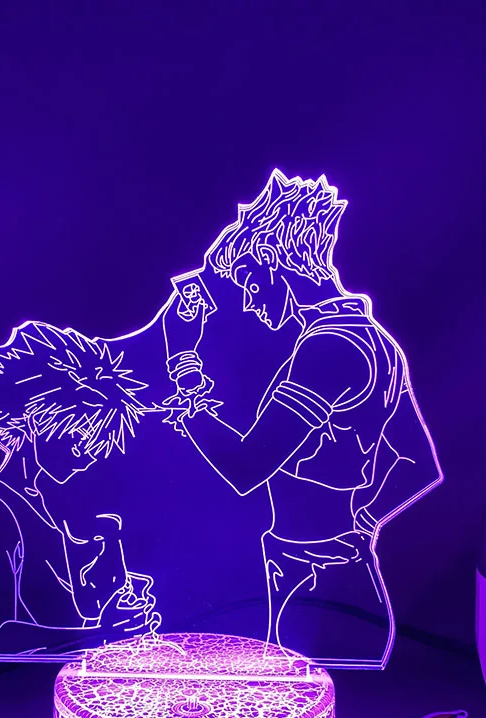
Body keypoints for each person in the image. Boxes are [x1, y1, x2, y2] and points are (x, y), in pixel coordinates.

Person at [162, 169, 442, 668]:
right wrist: (359, 525)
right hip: (324, 576)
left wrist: (185, 380)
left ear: (274, 262)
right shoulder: (373, 342)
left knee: (318, 713)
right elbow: (419, 465)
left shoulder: (331, 348)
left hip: (320, 592)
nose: (249, 300)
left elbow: (246, 467)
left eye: (250, 282)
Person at [0, 321, 160, 661]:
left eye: (94, 443)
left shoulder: (38, 501)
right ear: (35, 419)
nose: (87, 455)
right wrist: (104, 634)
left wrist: (116, 598)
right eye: (80, 437)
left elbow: (59, 610)